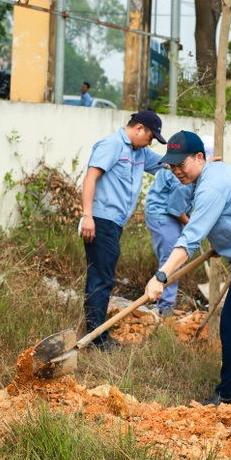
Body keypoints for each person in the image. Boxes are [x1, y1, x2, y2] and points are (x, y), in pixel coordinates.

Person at [145, 131, 231, 406]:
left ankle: (227, 394)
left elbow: (191, 238)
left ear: (199, 157)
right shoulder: (200, 176)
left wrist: (161, 276)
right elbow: (182, 208)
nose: (176, 171)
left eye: (181, 165)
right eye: (172, 166)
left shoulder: (212, 186)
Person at [80, 110, 166, 350]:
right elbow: (90, 178)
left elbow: (167, 163)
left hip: (114, 224)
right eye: (150, 137)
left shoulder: (140, 152)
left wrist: (200, 162)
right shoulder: (112, 145)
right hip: (100, 220)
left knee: (102, 277)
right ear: (139, 129)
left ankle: (95, 332)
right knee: (101, 279)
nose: (150, 143)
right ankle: (97, 339)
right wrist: (87, 216)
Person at [143, 136, 213, 318]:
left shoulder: (189, 171)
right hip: (163, 216)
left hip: (166, 214)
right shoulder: (183, 179)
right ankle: (165, 307)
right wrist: (195, 227)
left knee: (175, 258)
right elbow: (175, 209)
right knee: (172, 261)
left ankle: (166, 303)